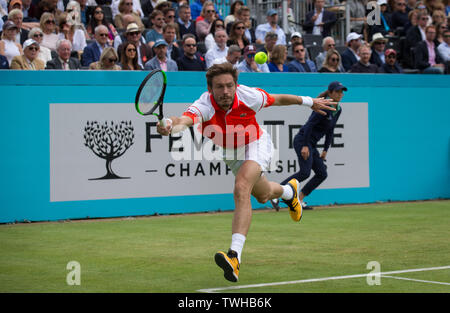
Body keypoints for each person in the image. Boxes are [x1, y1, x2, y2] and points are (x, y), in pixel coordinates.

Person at [156, 62, 336, 282]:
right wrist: (169, 125)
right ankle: (289, 193)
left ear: (235, 84)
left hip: (256, 142)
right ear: (210, 88)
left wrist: (310, 102)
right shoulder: (205, 105)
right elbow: (183, 121)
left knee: (241, 187)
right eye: (219, 87)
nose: (225, 92)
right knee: (262, 194)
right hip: (230, 151)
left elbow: (277, 99)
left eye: (229, 86)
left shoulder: (248, 96)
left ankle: (234, 256)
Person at [272, 81, 345, 212]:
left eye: (342, 91)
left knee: (322, 173)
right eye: (338, 91)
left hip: (311, 144)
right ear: (330, 93)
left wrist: (325, 150)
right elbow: (309, 125)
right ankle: (275, 194)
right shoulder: (323, 106)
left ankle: (299, 199)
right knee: (305, 172)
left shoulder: (338, 109)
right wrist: (305, 145)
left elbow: (330, 130)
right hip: (303, 140)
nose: (340, 94)